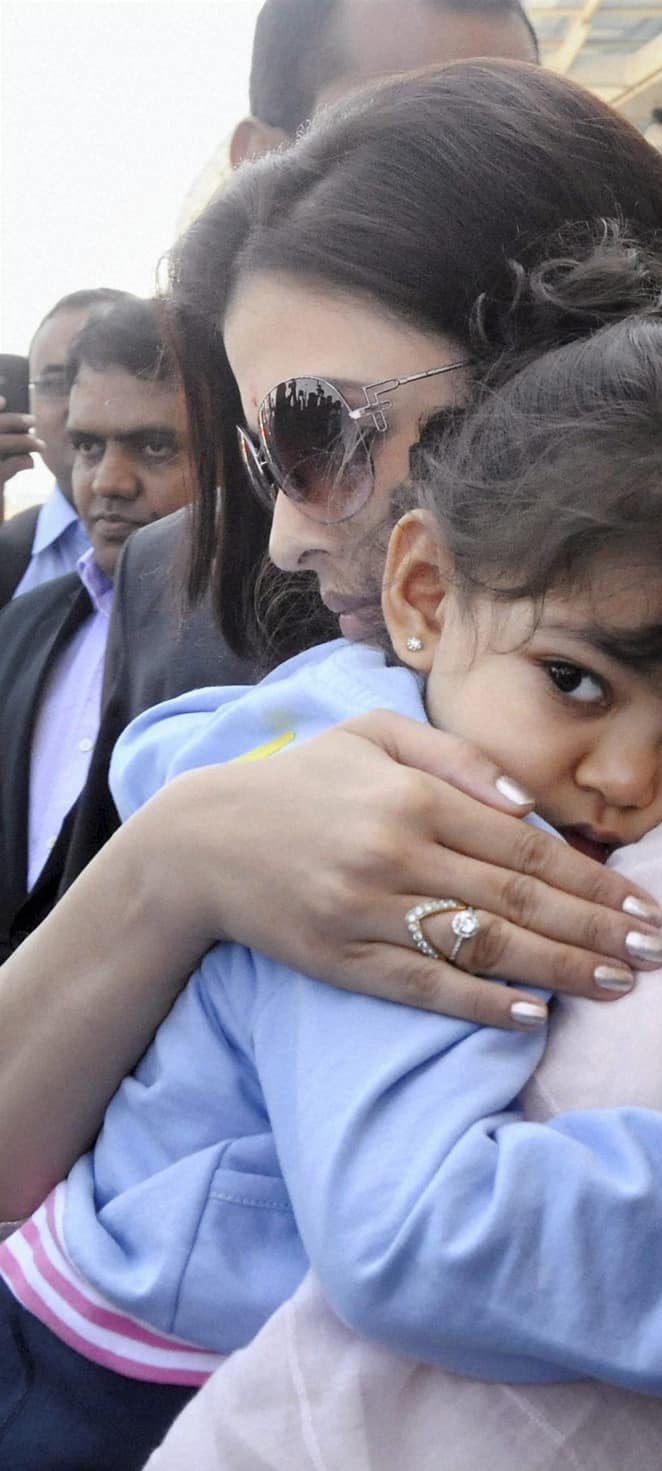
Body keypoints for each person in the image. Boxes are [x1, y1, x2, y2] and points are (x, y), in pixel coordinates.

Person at [0, 64, 662, 1458]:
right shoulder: (375, 773)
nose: (285, 535)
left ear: (562, 393)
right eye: (264, 449)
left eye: (319, 430)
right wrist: (177, 863)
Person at [5, 0, 541, 948]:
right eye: (294, 437)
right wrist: (177, 862)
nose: (486, 182)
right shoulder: (170, 585)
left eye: (520, 128)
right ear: (266, 162)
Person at [0, 299, 195, 960]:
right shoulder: (24, 625)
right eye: (87, 446)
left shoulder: (263, 654)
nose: (108, 481)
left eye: (154, 445)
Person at [0, 288, 131, 608]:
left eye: (100, 379)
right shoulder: (9, 556)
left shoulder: (220, 548)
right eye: (56, 383)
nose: (78, 406)